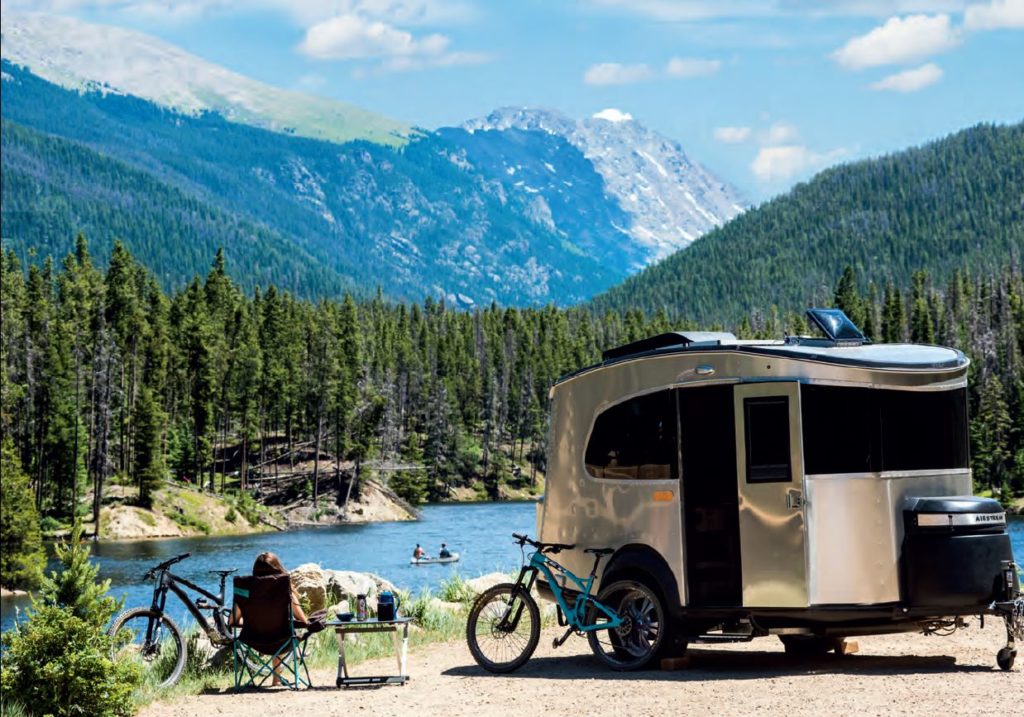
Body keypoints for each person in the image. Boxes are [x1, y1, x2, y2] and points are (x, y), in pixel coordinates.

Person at [232, 552, 309, 686]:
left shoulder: (244, 588)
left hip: (253, 640)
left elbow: (232, 622)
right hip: (281, 640)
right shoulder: (284, 588)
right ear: (278, 568)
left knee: (276, 627)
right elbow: (303, 620)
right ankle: (276, 678)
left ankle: (276, 679)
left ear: (255, 570)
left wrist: (252, 622)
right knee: (280, 628)